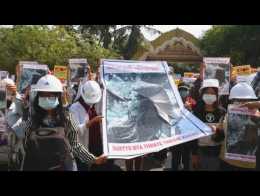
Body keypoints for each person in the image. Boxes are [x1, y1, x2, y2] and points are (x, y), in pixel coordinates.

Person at [13, 75, 106, 170]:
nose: (46, 98)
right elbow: (26, 142)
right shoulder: (32, 119)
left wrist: (93, 159)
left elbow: (75, 146)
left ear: (58, 96)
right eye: (43, 95)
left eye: (50, 95)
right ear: (38, 97)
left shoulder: (67, 118)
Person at [219, 82, 259, 171]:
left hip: (247, 164)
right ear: (233, 100)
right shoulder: (227, 115)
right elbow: (220, 136)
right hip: (228, 162)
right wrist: (218, 130)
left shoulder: (257, 116)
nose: (242, 103)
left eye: (246, 100)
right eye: (238, 100)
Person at [191, 79, 225, 171]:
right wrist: (194, 154)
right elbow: (192, 136)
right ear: (202, 94)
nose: (210, 95)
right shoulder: (196, 112)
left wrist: (217, 132)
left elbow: (223, 136)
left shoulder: (222, 112)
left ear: (217, 95)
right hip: (200, 151)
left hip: (216, 151)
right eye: (207, 93)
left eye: (212, 93)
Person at [169, 82, 195, 170]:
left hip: (187, 137)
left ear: (188, 91)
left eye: (185, 90)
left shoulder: (193, 103)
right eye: (181, 90)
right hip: (175, 137)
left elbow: (195, 120)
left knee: (186, 160)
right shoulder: (172, 102)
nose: (183, 92)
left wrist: (189, 110)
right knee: (175, 159)